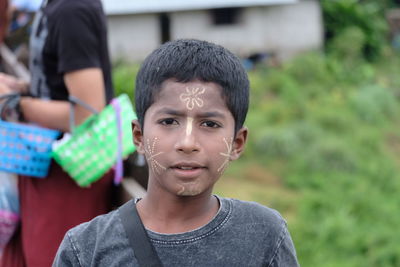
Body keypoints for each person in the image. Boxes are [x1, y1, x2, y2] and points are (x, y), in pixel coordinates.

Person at [53, 39, 300, 266]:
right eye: (169, 121)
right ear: (139, 136)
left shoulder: (264, 234)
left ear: (237, 143)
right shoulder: (85, 250)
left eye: (210, 124)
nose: (187, 142)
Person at [0, 0, 115, 266]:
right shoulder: (54, 6)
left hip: (71, 173)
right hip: (47, 165)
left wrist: (16, 103)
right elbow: (59, 86)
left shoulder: (71, 9)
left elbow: (87, 112)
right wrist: (21, 88)